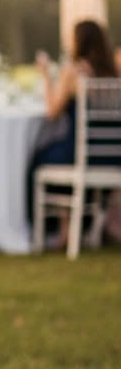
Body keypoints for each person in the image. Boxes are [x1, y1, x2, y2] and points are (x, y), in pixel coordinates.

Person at [27, 19, 120, 239]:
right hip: (113, 155)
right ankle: (75, 226)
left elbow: (52, 112)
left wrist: (45, 75)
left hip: (82, 154)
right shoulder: (113, 74)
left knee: (37, 158)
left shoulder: (75, 72)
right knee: (55, 153)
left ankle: (56, 229)